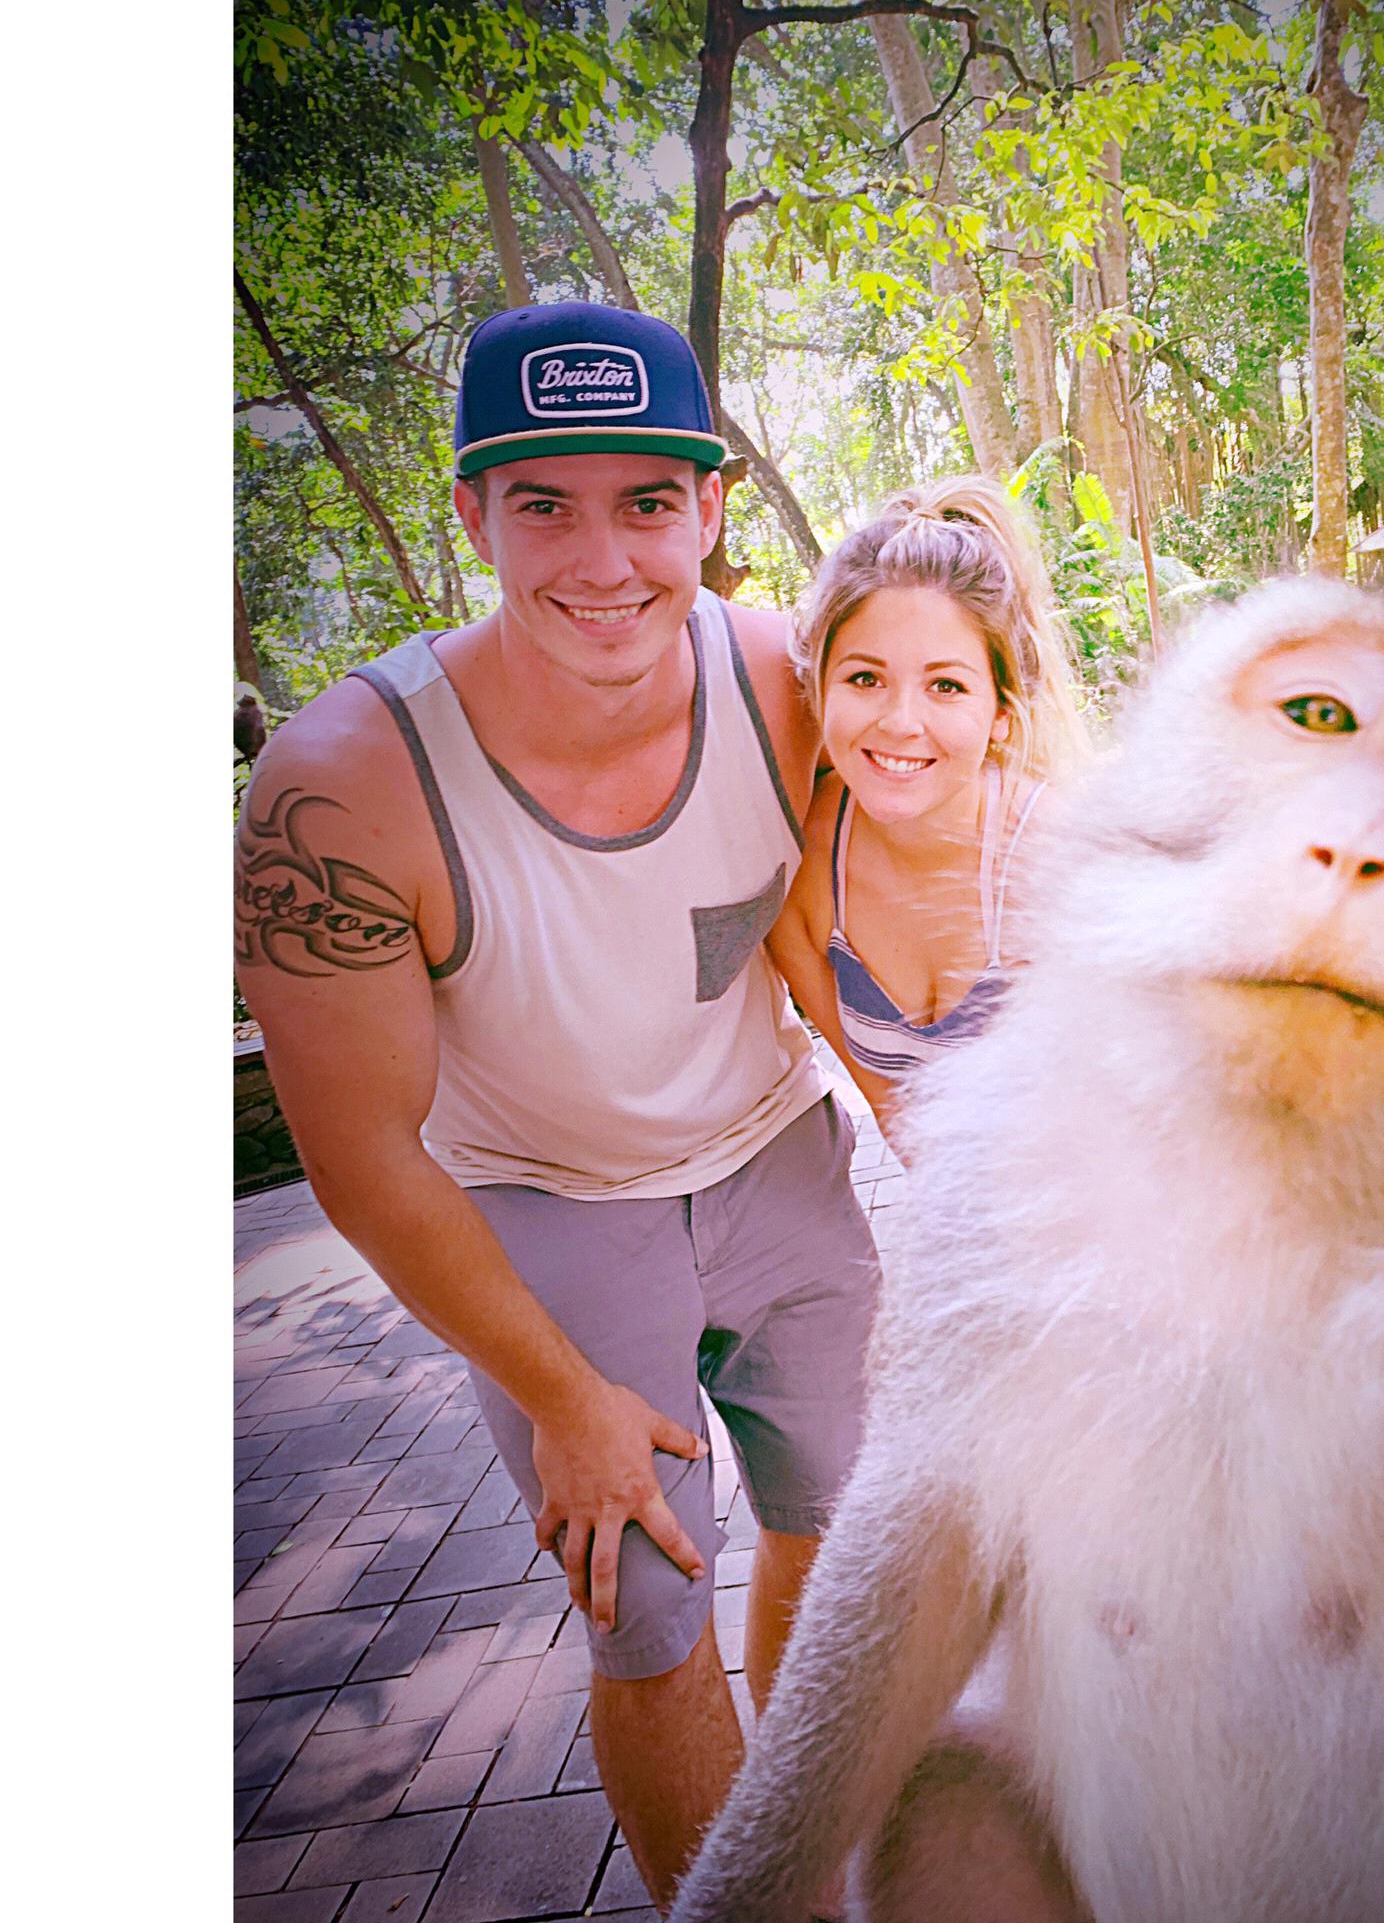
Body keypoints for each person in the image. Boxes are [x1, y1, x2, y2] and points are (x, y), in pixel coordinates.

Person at [233, 302, 879, 1911]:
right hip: (542, 1205)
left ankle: (813, 1849)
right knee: (647, 1615)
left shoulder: (790, 681)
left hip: (778, 1159)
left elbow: (852, 929)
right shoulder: (344, 784)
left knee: (841, 1532)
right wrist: (561, 1395)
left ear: (710, 506)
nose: (603, 561)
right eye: (544, 504)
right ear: (474, 516)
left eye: (646, 502)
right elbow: (361, 1160)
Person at [766, 479, 1085, 1146]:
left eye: (945, 685)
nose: (900, 722)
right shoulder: (800, 870)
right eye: (865, 678)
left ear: (1001, 711)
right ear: (818, 688)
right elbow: (903, 1129)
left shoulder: (1067, 870)